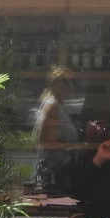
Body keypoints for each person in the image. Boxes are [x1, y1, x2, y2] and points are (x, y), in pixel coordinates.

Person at [32, 66, 81, 194]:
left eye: (73, 82)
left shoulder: (55, 103)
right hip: (52, 175)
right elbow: (47, 143)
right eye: (64, 81)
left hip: (56, 172)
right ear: (53, 83)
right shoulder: (53, 106)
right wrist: (72, 147)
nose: (69, 85)